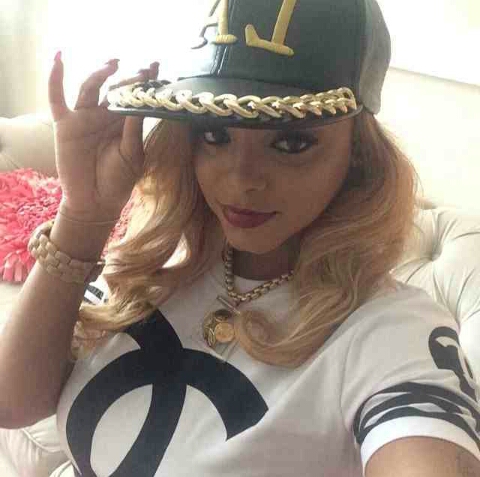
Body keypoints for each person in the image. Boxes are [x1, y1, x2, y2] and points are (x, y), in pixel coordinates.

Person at [1, 0, 479, 475]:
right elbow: (13, 403)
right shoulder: (154, 265)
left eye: (291, 142)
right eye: (215, 135)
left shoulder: (391, 333)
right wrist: (82, 218)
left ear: (358, 152)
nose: (240, 180)